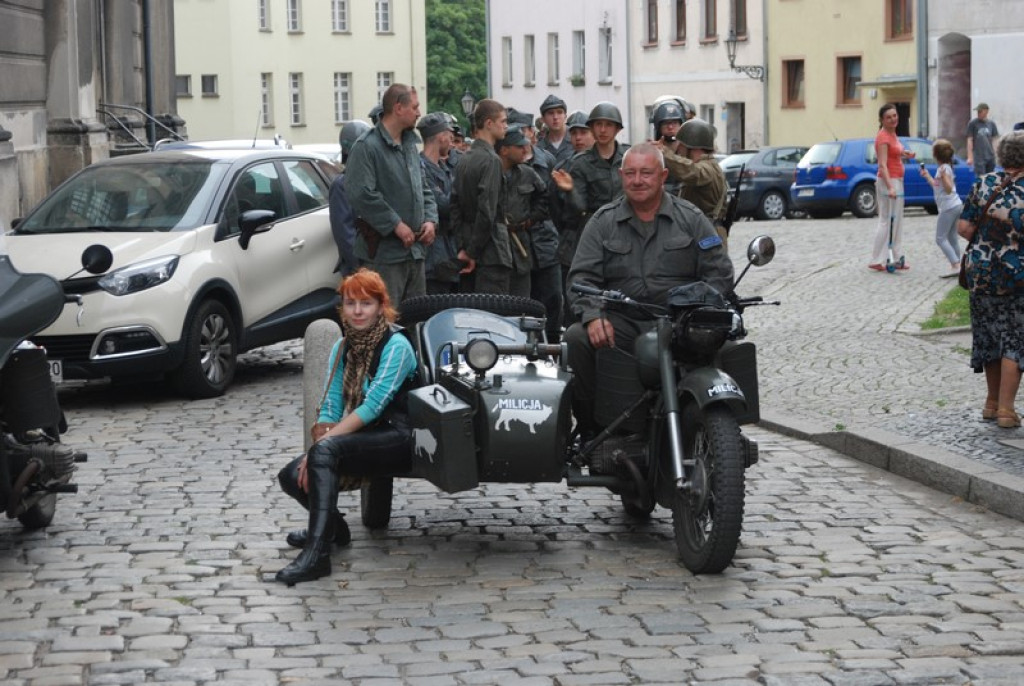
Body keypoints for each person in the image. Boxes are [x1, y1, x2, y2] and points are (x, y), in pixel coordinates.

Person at [564, 143, 734, 440]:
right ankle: (595, 431)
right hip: (622, 321)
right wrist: (592, 316)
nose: (637, 180)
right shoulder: (603, 222)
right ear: (621, 176)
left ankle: (718, 428)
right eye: (630, 173)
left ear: (663, 176)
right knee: (576, 338)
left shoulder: (691, 218)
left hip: (678, 322)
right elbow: (581, 277)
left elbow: (718, 271)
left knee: (728, 342)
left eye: (646, 173)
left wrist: (698, 308)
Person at [275, 269, 418, 585]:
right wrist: (319, 444)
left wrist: (320, 449)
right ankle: (332, 529)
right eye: (351, 303)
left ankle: (317, 555)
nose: (357, 311)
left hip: (400, 435)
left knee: (323, 452)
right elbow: (330, 407)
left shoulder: (397, 346)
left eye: (366, 303)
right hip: (364, 435)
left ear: (381, 307)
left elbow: (373, 406)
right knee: (290, 476)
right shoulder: (343, 347)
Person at [345, 84, 438, 307]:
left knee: (415, 319)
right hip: (384, 257)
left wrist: (430, 220)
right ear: (398, 108)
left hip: (414, 254)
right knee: (384, 318)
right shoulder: (367, 146)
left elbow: (423, 188)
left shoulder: (409, 145)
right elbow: (361, 194)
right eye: (414, 107)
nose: (419, 113)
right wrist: (395, 224)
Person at [957, 130, 1024, 429]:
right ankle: (1007, 411)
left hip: (981, 273)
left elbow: (963, 228)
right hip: (1017, 276)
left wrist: (990, 239)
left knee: (989, 337)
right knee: (1015, 340)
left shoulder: (984, 183)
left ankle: (991, 403)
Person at [451, 98, 510, 294]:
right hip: (491, 253)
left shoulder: (464, 158)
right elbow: (487, 212)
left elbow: (455, 206)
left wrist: (463, 248)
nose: (506, 126)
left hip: (468, 248)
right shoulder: (491, 160)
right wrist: (472, 252)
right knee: (492, 310)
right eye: (503, 121)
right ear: (489, 123)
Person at [551, 102, 630, 239]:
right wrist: (571, 190)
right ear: (592, 128)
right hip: (594, 231)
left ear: (617, 129)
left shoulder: (629, 157)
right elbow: (579, 208)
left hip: (626, 228)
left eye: (608, 125)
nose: (603, 130)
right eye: (598, 124)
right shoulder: (580, 163)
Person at [496, 125, 548, 298]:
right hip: (495, 249)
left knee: (521, 301)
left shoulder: (528, 173)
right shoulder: (488, 172)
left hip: (521, 249)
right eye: (519, 146)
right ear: (504, 150)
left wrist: (531, 219)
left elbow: (544, 198)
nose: (525, 150)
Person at [869, 103, 915, 272]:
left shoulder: (892, 134)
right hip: (889, 181)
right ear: (882, 120)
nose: (893, 119)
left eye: (894, 116)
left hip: (897, 179)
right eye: (888, 117)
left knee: (897, 221)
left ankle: (896, 256)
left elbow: (894, 153)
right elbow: (882, 165)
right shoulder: (882, 137)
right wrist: (890, 187)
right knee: (886, 220)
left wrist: (905, 153)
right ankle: (878, 259)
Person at [417, 112, 459, 294]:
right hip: (432, 256)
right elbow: (443, 205)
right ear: (441, 136)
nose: (452, 142)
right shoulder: (420, 168)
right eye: (450, 136)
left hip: (448, 252)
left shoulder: (444, 168)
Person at [328, 120, 371, 276]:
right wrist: (360, 270)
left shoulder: (369, 179)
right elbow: (345, 235)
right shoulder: (341, 185)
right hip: (359, 269)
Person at [918, 138, 963, 278]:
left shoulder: (943, 170)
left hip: (948, 207)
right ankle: (959, 266)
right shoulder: (945, 167)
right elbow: (938, 187)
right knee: (952, 237)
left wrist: (943, 177)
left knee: (940, 238)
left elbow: (948, 189)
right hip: (956, 205)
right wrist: (927, 176)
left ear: (935, 154)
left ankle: (955, 264)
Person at [536, 94, 574, 165]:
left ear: (565, 116)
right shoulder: (539, 148)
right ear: (543, 119)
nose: (555, 117)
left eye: (559, 112)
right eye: (550, 113)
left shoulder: (577, 139)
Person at [966, 103, 1000, 177]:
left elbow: (995, 140)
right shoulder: (973, 123)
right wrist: (970, 157)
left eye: (980, 111)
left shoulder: (991, 124)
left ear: (986, 111)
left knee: (990, 177)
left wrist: (996, 154)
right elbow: (970, 140)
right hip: (979, 157)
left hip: (990, 156)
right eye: (978, 112)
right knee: (981, 178)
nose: (978, 113)